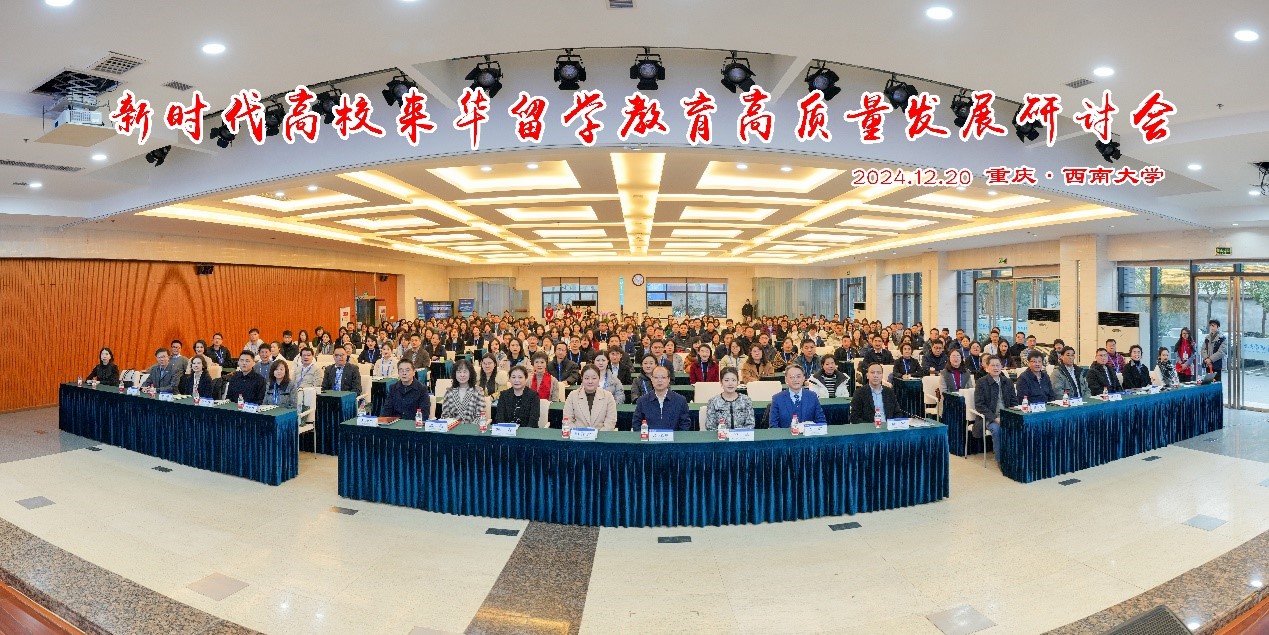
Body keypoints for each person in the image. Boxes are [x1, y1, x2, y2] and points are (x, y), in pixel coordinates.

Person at [976, 357, 1019, 467]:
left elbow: (1014, 401)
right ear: (987, 368)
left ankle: (1015, 456)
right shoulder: (981, 382)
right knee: (997, 429)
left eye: (998, 365)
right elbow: (980, 405)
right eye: (993, 365)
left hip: (1007, 415)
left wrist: (1010, 415)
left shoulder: (1007, 382)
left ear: (1001, 367)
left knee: (1020, 426)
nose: (995, 368)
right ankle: (1001, 460)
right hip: (989, 417)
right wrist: (995, 418)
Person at [631, 365, 693, 431]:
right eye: (656, 377)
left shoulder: (680, 400)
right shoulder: (642, 401)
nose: (659, 380)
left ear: (668, 379)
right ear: (651, 379)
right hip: (649, 437)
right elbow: (636, 424)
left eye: (663, 377)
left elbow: (685, 424)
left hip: (674, 437)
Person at [562, 365, 619, 431]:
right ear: (582, 379)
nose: (590, 381)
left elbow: (610, 422)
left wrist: (597, 435)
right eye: (586, 378)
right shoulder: (572, 396)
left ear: (599, 379)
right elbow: (568, 420)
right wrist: (579, 433)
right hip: (578, 435)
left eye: (594, 378)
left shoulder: (608, 396)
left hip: (601, 435)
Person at [442, 359, 486, 424]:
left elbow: (480, 417)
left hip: (472, 428)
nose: (462, 375)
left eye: (465, 372)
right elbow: (445, 416)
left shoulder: (478, 392)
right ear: (455, 374)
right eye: (459, 372)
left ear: (470, 374)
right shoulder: (449, 392)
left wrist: (468, 428)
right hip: (453, 428)